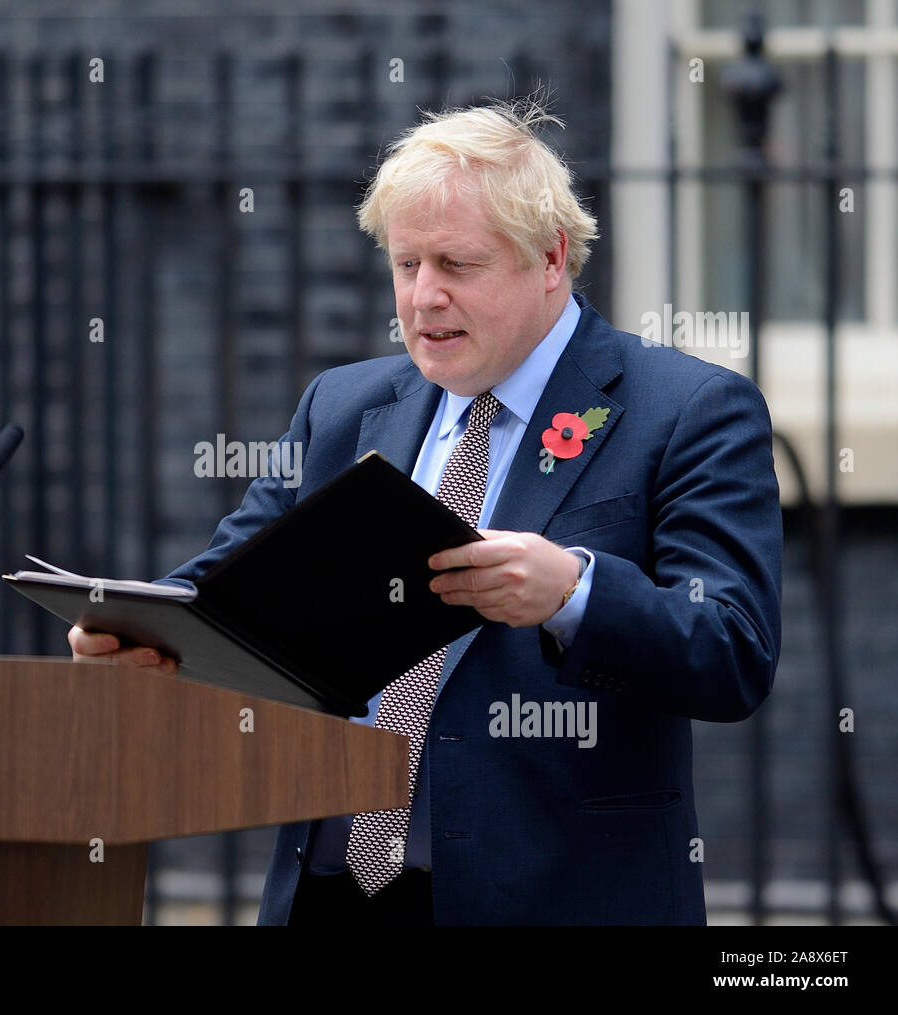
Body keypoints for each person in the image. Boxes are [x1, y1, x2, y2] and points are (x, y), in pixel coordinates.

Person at [69, 100, 782, 925]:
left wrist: (574, 594)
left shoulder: (686, 409)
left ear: (550, 257)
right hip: (331, 894)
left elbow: (734, 649)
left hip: (553, 898)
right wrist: (135, 625)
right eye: (406, 265)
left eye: (455, 263)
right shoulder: (341, 405)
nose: (423, 297)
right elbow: (231, 584)